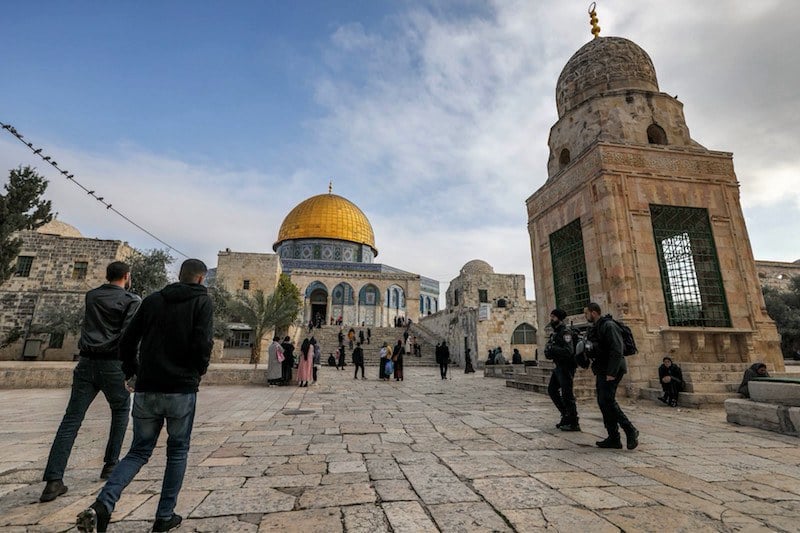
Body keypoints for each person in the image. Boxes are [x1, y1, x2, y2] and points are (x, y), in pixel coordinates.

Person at [76, 259, 212, 533]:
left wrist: (132, 372)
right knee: (177, 452)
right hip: (181, 389)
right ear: (200, 279)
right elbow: (203, 343)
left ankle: (103, 504)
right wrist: (197, 372)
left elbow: (126, 340)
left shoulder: (152, 300)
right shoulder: (202, 302)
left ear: (180, 276)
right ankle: (164, 516)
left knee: (138, 451)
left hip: (147, 387)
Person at [40, 261, 141, 504]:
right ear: (127, 276)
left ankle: (53, 480)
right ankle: (110, 464)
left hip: (86, 362)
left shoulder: (91, 296)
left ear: (107, 275)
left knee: (71, 419)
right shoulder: (131, 300)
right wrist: (133, 370)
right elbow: (128, 336)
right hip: (113, 363)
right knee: (120, 411)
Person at [584, 302, 639, 450]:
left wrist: (611, 372)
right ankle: (613, 437)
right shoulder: (596, 327)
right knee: (603, 402)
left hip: (611, 369)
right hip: (603, 369)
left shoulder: (609, 326)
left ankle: (630, 429)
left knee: (607, 400)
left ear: (594, 312)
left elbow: (617, 349)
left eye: (587, 313)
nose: (586, 316)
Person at [544, 309, 580, 432]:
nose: (551, 319)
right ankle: (565, 415)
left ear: (559, 318)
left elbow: (568, 351)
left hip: (567, 366)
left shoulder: (565, 332)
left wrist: (553, 349)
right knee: (552, 390)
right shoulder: (556, 332)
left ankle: (574, 422)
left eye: (553, 317)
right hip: (559, 366)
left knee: (567, 394)